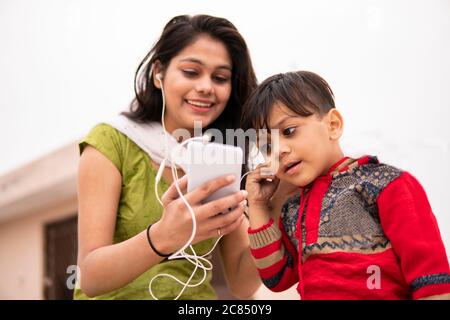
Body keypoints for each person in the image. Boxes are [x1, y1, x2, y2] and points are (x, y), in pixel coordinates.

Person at [74, 14, 261, 300]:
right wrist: (162, 236)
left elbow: (241, 284)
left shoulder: (223, 156)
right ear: (158, 73)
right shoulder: (111, 142)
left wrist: (270, 218)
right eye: (191, 72)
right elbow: (90, 276)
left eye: (220, 77)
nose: (206, 87)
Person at [240, 71, 450, 299]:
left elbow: (431, 279)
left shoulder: (386, 185)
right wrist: (259, 206)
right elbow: (277, 278)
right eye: (267, 147)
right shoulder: (292, 209)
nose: (279, 151)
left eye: (289, 131)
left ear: (333, 124)